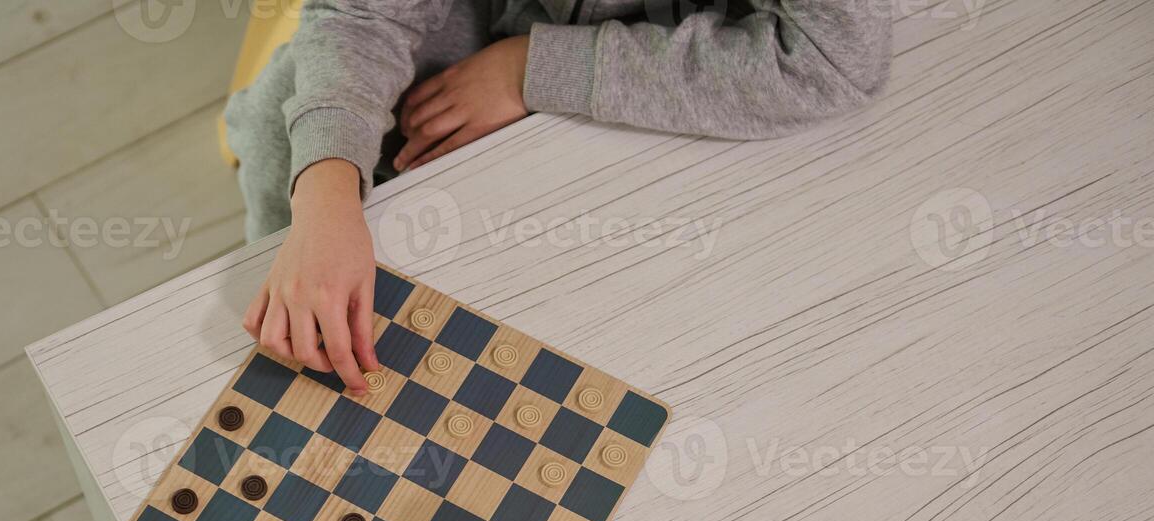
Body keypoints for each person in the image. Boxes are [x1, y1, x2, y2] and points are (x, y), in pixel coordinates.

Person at [226, 0, 892, 392]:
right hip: (455, 39)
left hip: (668, 85)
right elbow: (362, 16)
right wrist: (323, 200)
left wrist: (534, 69)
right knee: (278, 124)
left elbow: (829, 61)